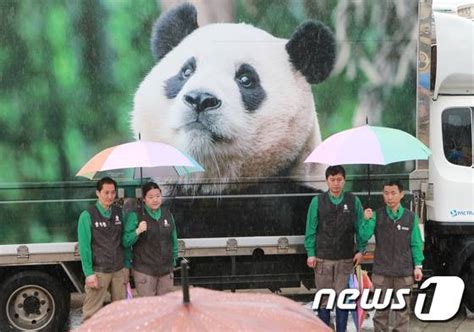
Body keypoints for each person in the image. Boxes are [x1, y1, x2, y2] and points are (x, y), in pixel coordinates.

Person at [304, 165, 367, 332]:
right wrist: (311, 253)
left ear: (344, 181)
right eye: (332, 180)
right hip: (322, 259)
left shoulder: (354, 201)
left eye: (339, 180)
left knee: (343, 300)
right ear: (327, 181)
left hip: (345, 260)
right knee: (324, 299)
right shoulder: (317, 201)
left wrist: (361, 250)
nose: (336, 183)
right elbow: (310, 230)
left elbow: (360, 228)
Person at [361, 180, 424, 332]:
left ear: (401, 195)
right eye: (386, 193)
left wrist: (418, 266)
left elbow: (416, 243)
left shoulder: (410, 217)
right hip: (382, 272)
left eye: (393, 193)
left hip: (404, 273)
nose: (389, 197)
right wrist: (366, 219)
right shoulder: (377, 215)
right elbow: (363, 236)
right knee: (381, 312)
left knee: (402, 312)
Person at [77, 177, 131, 321]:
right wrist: (88, 273)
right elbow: (84, 247)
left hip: (119, 270)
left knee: (121, 313)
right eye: (106, 192)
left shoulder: (120, 213)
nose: (110, 196)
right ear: (97, 193)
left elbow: (125, 242)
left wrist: (126, 266)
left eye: (113, 193)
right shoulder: (87, 215)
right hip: (99, 272)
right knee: (91, 315)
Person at [123, 181, 179, 296]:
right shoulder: (135, 215)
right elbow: (125, 241)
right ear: (144, 199)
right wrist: (138, 231)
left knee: (166, 307)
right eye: (151, 197)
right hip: (145, 272)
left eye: (158, 196)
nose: (155, 200)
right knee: (149, 309)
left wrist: (173, 260)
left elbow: (173, 239)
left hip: (166, 271)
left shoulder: (167, 214)